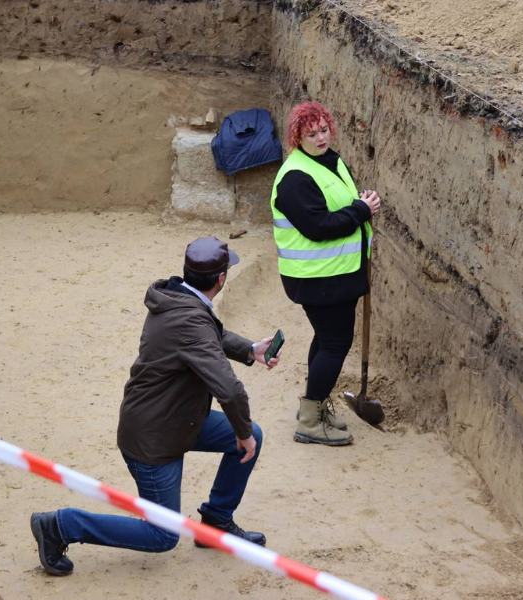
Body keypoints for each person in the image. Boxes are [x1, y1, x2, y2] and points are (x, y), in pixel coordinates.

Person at [30, 236, 280, 576]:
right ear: (221, 279)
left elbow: (212, 335)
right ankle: (60, 526)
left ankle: (217, 521)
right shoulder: (189, 319)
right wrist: (242, 432)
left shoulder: (179, 299)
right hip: (153, 440)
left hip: (179, 421)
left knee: (255, 435)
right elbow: (230, 391)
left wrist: (251, 349)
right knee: (162, 535)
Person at [270, 101, 381, 447]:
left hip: (336, 272)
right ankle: (309, 420)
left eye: (323, 129)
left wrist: (359, 203)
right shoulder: (295, 179)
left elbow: (336, 205)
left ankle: (314, 408)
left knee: (325, 339)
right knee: (335, 343)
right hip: (317, 278)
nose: (321, 137)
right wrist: (362, 210)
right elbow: (318, 226)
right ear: (296, 138)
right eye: (311, 133)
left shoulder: (329, 161)